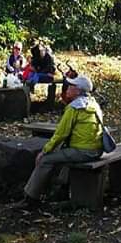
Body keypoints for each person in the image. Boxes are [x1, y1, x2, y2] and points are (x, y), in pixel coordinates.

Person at [18, 74, 104, 210]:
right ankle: (61, 191)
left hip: (84, 151)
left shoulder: (74, 108)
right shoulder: (93, 104)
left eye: (71, 86)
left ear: (78, 91)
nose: (67, 88)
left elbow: (60, 134)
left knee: (46, 160)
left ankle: (30, 197)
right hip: (97, 150)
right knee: (63, 154)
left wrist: (45, 151)